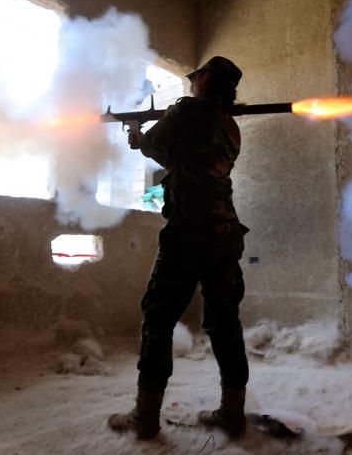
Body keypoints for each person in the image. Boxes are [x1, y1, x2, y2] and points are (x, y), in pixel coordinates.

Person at [107, 56, 250, 440]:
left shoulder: (189, 110)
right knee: (225, 324)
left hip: (188, 232)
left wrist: (137, 133)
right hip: (224, 234)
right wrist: (158, 131)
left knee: (158, 318)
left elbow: (153, 145)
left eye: (196, 77)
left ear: (204, 79)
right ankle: (233, 414)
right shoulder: (230, 127)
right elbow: (182, 159)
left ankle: (145, 417)